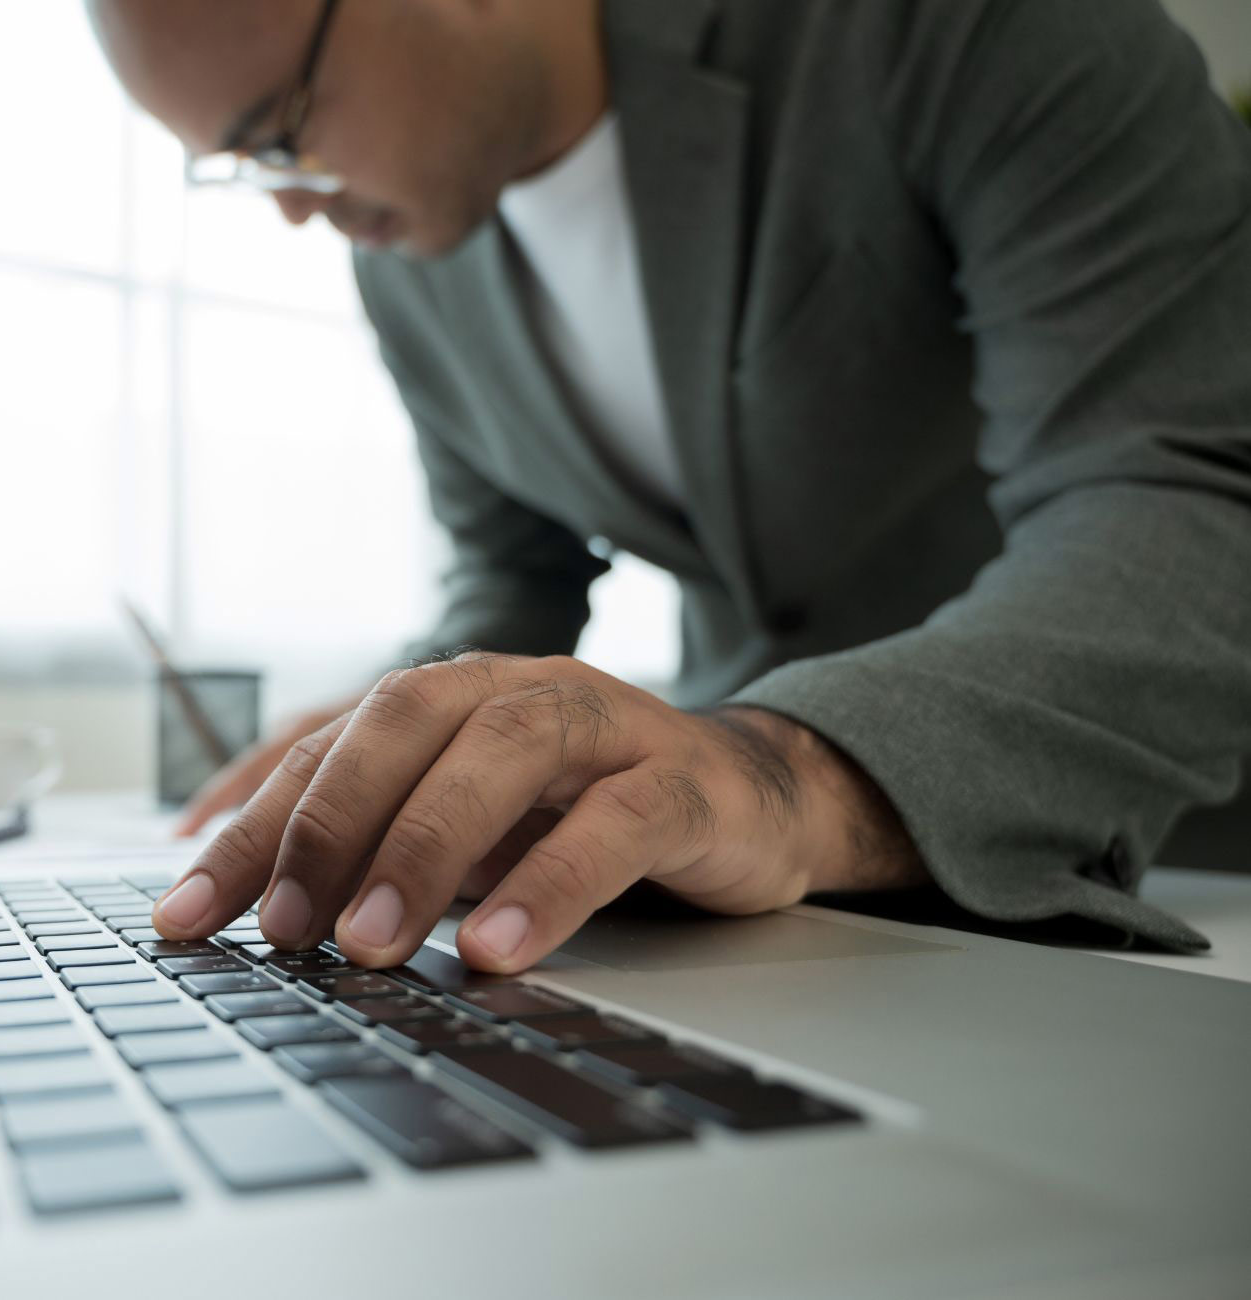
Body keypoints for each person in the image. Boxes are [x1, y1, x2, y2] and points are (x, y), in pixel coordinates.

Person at [86, 0, 1251, 972]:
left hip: (1151, 881)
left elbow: (1180, 491)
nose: (292, 204)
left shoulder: (946, 27)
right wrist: (392, 746)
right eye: (245, 170)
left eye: (281, 133)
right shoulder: (411, 257)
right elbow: (510, 578)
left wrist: (792, 766)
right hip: (742, 924)